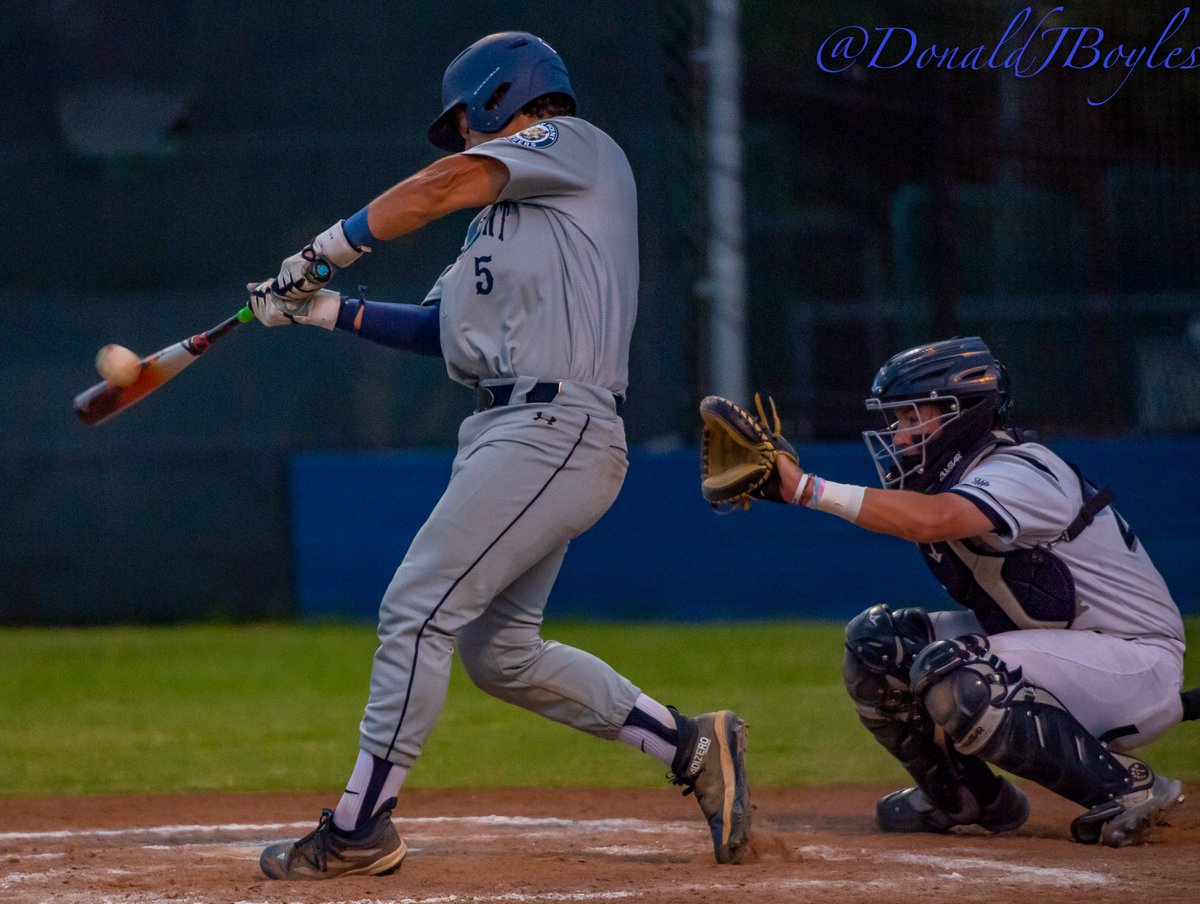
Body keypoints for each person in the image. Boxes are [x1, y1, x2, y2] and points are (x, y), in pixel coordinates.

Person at [246, 32, 750, 880]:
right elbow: (442, 328)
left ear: (504, 95)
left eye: (469, 124)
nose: (465, 144)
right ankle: (694, 746)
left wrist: (324, 249)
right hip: (504, 433)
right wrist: (321, 308)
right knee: (502, 655)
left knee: (416, 607)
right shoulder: (498, 227)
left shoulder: (577, 148)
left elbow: (438, 185)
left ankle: (361, 825)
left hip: (558, 427)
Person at [765, 336, 1187, 847]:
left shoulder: (1018, 469)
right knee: (877, 643)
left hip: (1135, 662)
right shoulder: (962, 476)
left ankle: (1128, 787)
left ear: (957, 412)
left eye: (909, 418)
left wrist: (806, 489)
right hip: (1067, 646)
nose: (898, 437)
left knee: (954, 673)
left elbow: (936, 521)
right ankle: (965, 796)